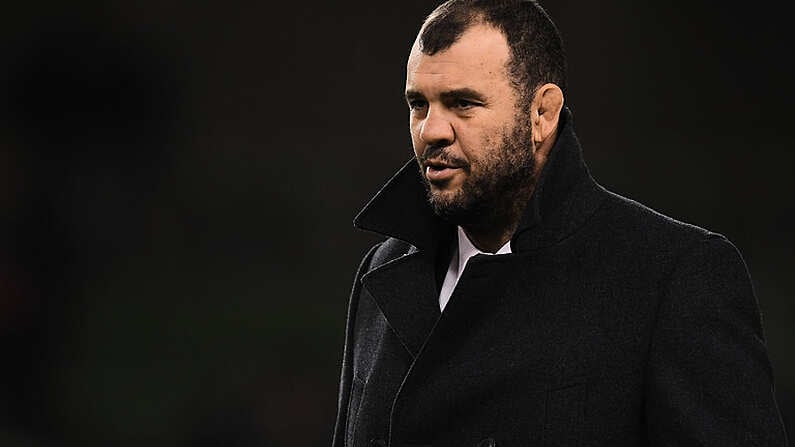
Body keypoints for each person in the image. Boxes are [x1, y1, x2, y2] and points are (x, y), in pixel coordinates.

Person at [332, 1, 787, 445]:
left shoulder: (671, 275)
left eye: (462, 103)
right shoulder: (385, 272)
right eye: (419, 105)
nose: (432, 130)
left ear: (542, 113)